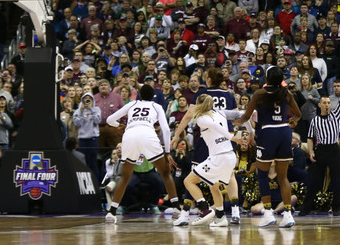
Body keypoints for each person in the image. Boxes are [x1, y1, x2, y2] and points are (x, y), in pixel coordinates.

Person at [103, 84, 182, 223]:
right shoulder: (156, 106)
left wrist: (120, 126)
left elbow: (110, 120)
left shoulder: (132, 104)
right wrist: (168, 152)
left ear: (139, 95)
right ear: (152, 97)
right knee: (165, 173)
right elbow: (166, 129)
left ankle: (111, 213)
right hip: (147, 134)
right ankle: (176, 208)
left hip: (130, 135)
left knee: (125, 177)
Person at [238, 66, 303, 227]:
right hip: (284, 132)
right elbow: (299, 114)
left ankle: (268, 213)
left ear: (266, 78)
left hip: (268, 133)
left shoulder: (260, 93)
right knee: (283, 177)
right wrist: (293, 121)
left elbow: (246, 116)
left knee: (262, 175)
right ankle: (288, 215)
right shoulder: (286, 93)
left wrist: (233, 122)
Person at [173, 94, 247, 227]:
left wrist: (232, 137)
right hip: (229, 156)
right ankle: (220, 217)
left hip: (219, 157)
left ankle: (204, 208)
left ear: (199, 105)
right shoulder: (220, 113)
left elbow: (216, 127)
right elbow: (242, 114)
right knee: (214, 186)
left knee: (188, 181)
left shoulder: (202, 119)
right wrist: (251, 131)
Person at [300, 71, 340, 216]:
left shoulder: (335, 114)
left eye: (329, 102)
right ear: (320, 105)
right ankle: (306, 208)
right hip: (320, 149)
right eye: (325, 103)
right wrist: (310, 151)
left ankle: (336, 207)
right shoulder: (315, 120)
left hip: (334, 149)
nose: (327, 105)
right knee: (315, 180)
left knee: (336, 180)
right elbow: (310, 138)